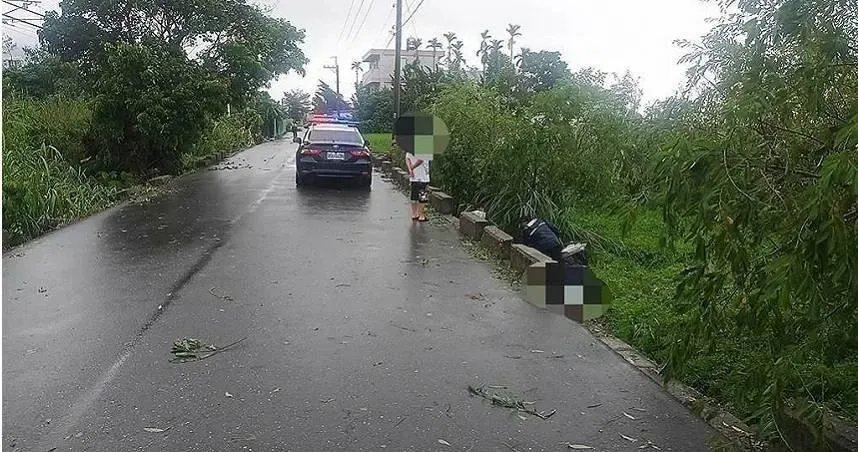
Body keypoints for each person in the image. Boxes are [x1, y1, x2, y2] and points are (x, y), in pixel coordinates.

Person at [405, 151, 430, 221]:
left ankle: (414, 214)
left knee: (414, 196)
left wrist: (410, 169)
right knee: (422, 196)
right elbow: (421, 159)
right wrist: (413, 167)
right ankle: (421, 215)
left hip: (414, 176)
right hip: (422, 176)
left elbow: (407, 158)